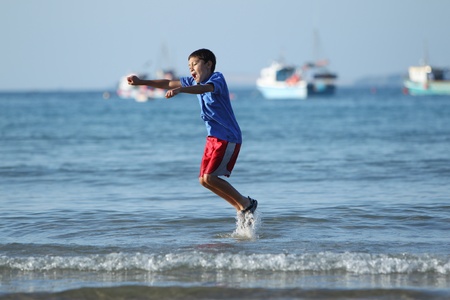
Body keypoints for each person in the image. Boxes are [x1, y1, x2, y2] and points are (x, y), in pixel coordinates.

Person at [127, 48, 257, 218]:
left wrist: (181, 90)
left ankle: (246, 204)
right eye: (189, 66)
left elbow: (204, 89)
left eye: (194, 64)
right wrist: (140, 82)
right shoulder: (192, 82)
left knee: (210, 178)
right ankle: (240, 207)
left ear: (208, 64)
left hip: (228, 136)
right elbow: (167, 83)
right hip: (213, 138)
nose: (191, 68)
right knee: (204, 180)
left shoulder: (217, 78)